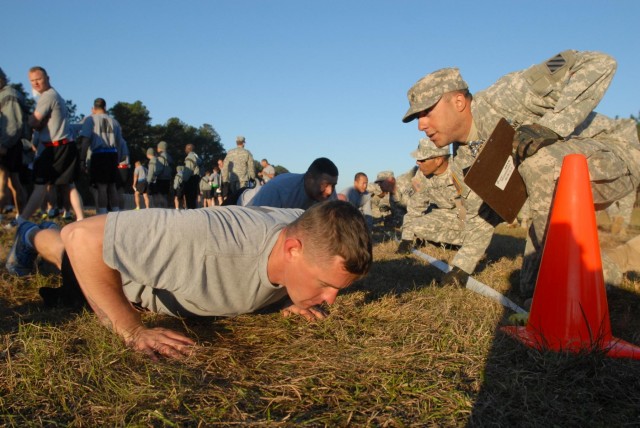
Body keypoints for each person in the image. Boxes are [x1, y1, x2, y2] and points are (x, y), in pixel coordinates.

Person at [402, 50, 640, 296]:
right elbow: (481, 214)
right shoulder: (463, 160)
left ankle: (563, 281)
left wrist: (552, 126)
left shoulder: (508, 95)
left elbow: (601, 62)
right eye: (417, 117)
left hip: (617, 152)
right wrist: (462, 267)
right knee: (529, 288)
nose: (421, 125)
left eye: (427, 112)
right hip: (563, 180)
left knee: (537, 161)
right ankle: (602, 267)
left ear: (459, 102)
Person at [5, 200, 372, 359]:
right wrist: (132, 330)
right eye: (326, 284)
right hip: (118, 276)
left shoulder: (306, 227)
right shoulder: (203, 239)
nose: (331, 300)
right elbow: (82, 237)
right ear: (292, 249)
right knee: (62, 252)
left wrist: (297, 294)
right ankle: (29, 233)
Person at [395, 138, 499, 284]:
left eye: (422, 159)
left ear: (438, 160)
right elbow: (415, 207)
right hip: (444, 212)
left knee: (474, 226)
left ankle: (469, 242)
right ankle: (460, 241)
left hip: (465, 211)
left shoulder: (460, 170)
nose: (418, 162)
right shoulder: (420, 176)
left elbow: (477, 210)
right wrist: (406, 239)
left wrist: (462, 265)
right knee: (415, 227)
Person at [14, 66, 84, 227]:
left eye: (39, 79)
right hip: (62, 145)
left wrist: (32, 122)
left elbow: (33, 121)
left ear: (47, 78)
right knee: (67, 186)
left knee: (42, 185)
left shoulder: (48, 96)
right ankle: (80, 219)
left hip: (56, 147)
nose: (36, 83)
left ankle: (22, 219)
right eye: (32, 81)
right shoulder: (53, 95)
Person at [78, 98, 128, 214]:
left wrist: (82, 158)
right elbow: (119, 142)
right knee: (112, 186)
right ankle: (116, 212)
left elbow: (85, 140)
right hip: (112, 154)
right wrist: (118, 158)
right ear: (105, 107)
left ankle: (102, 213)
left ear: (94, 108)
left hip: (99, 154)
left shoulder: (90, 120)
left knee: (101, 187)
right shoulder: (114, 121)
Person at [238, 157, 338, 209]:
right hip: (243, 203)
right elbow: (252, 223)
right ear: (309, 178)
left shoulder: (330, 195)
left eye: (333, 185)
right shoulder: (279, 190)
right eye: (324, 185)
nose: (329, 191)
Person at [0, 67, 28, 221]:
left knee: (3, 181)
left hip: (8, 144)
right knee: (14, 182)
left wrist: (4, 144)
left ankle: (19, 215)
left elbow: (13, 123)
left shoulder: (8, 95)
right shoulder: (9, 94)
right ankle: (21, 215)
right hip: (12, 143)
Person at [182, 143, 202, 209]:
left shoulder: (190, 157)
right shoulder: (197, 157)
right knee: (193, 198)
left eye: (185, 148)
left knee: (189, 199)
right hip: (196, 178)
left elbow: (188, 170)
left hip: (190, 179)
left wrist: (184, 180)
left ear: (188, 149)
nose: (184, 150)